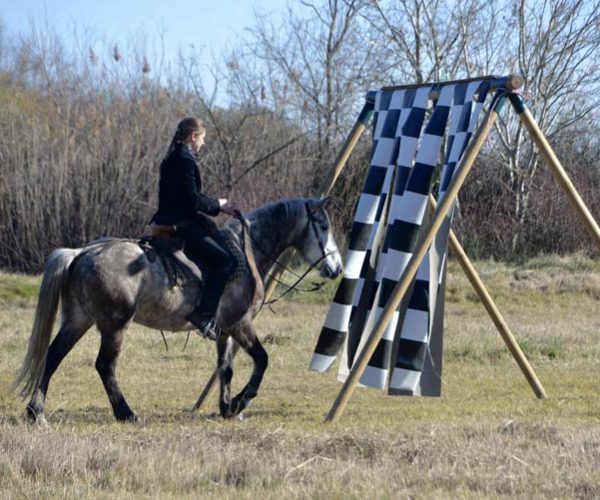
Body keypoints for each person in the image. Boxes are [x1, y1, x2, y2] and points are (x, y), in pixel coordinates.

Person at [151, 117, 240, 340]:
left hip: (166, 222)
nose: (203, 143)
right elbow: (193, 201)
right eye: (202, 138)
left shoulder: (170, 158)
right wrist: (219, 205)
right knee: (226, 261)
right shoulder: (185, 161)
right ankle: (204, 315)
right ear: (193, 136)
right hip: (182, 226)